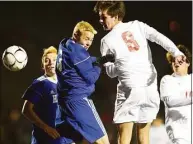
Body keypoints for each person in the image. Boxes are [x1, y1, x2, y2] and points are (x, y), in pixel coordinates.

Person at [93, 1, 185, 144]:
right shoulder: (138, 25)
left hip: (130, 90)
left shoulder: (106, 40)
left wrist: (119, 62)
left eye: (103, 17)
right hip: (149, 88)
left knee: (124, 138)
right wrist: (176, 52)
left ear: (116, 16)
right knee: (144, 138)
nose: (100, 20)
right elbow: (158, 37)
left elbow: (111, 73)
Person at [55, 21, 111, 144]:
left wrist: (98, 59)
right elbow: (91, 77)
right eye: (86, 38)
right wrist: (99, 65)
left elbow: (83, 60)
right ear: (76, 35)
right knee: (103, 141)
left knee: (70, 141)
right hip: (78, 100)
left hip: (63, 101)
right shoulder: (77, 50)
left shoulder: (64, 44)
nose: (89, 43)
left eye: (91, 40)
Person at [21, 46, 70, 144]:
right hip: (44, 140)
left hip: (64, 139)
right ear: (43, 65)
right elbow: (26, 110)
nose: (51, 63)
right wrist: (46, 128)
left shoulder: (65, 83)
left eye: (54, 60)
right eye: (47, 60)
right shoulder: (39, 83)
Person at [160, 44, 192, 144]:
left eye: (179, 60)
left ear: (188, 62)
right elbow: (170, 101)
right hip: (179, 131)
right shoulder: (167, 80)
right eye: (173, 61)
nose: (175, 62)